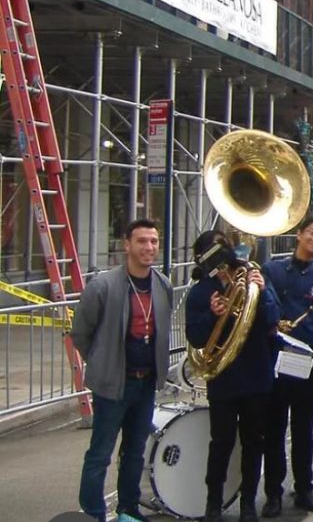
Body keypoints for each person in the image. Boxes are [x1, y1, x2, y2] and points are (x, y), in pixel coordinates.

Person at [72, 219, 173, 522]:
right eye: (142, 241)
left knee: (135, 452)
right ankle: (93, 514)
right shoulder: (102, 285)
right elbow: (81, 333)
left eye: (154, 241)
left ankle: (127, 509)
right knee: (100, 455)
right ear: (126, 245)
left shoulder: (163, 284)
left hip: (145, 383)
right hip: (113, 385)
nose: (149, 248)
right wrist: (103, 362)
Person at [185, 230, 281, 522]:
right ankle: (213, 504)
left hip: (256, 375)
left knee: (254, 442)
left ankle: (248, 504)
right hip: (224, 379)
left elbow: (273, 320)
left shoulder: (254, 277)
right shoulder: (202, 290)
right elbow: (196, 337)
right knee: (222, 442)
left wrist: (262, 293)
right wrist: (214, 314)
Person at [261, 216, 313, 515]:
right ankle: (273, 493)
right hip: (276, 363)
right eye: (312, 234)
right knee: (274, 430)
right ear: (299, 235)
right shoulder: (272, 270)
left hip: (308, 365)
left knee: (304, 431)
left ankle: (304, 488)